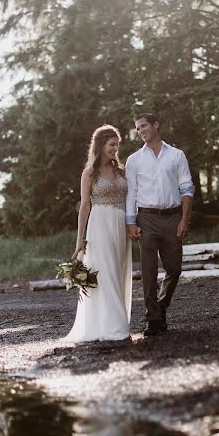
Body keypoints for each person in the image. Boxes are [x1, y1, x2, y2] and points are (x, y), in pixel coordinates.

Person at [125, 113, 194, 337]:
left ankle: (161, 307)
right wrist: (131, 222)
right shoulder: (134, 160)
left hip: (173, 217)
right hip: (146, 218)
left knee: (174, 268)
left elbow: (187, 188)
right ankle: (153, 319)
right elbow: (131, 193)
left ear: (156, 125)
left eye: (143, 126)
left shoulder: (176, 155)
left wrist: (185, 219)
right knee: (148, 270)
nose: (140, 130)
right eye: (137, 128)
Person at [64, 125, 132, 342]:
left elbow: (132, 199)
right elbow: (84, 206)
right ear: (101, 145)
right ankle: (117, 329)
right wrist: (79, 240)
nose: (115, 149)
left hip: (120, 225)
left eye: (117, 145)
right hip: (100, 225)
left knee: (119, 273)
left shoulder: (121, 171)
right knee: (107, 274)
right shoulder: (89, 173)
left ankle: (110, 324)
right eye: (112, 145)